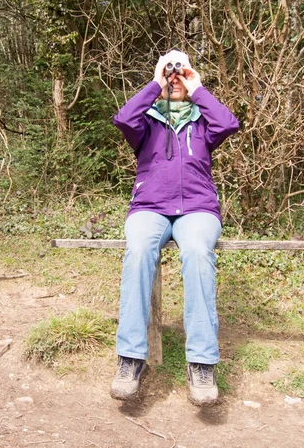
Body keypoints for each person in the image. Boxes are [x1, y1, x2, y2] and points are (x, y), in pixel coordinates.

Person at [110, 50, 239, 405]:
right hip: (149, 208)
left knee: (198, 252)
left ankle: (201, 363)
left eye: (181, 74)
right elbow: (122, 119)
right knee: (137, 252)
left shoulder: (203, 124)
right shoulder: (146, 125)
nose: (176, 80)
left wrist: (197, 88)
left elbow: (228, 124)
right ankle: (130, 359)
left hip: (197, 209)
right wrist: (155, 81)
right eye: (171, 75)